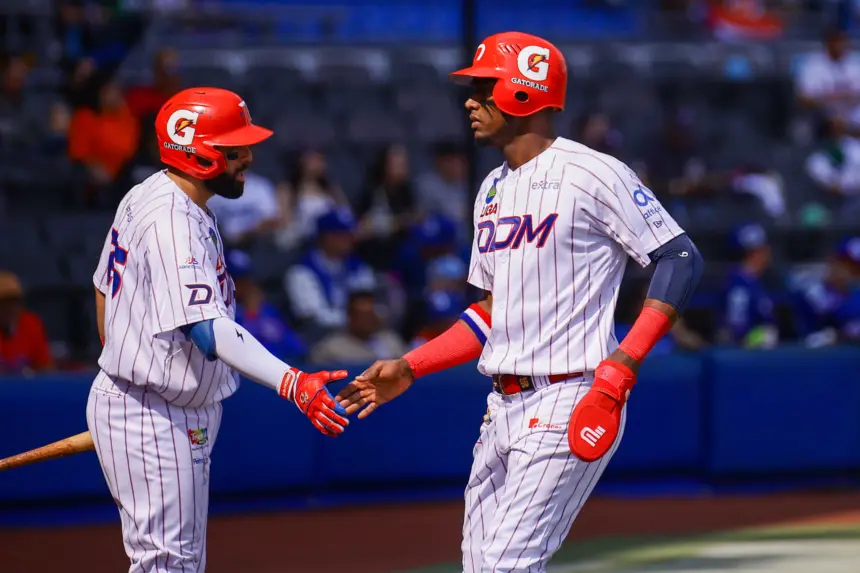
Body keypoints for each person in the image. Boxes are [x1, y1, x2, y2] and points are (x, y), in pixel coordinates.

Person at [336, 32, 704, 573]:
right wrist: (412, 367)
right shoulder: (491, 187)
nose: (469, 100)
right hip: (501, 407)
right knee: (484, 566)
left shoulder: (593, 172)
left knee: (506, 565)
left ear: (523, 93)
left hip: (570, 393)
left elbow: (680, 257)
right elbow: (491, 311)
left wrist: (624, 362)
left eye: (483, 87)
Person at [88, 87, 349, 572]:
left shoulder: (154, 193)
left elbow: (103, 290)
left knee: (176, 563)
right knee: (168, 565)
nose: (247, 157)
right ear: (198, 152)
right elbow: (207, 331)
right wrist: (291, 382)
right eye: (234, 149)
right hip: (154, 410)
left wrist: (126, 359)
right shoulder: (172, 219)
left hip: (153, 404)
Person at [283, 207, 376, 341]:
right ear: (326, 237)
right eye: (342, 234)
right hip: (324, 339)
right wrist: (356, 321)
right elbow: (315, 318)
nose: (349, 239)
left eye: (350, 234)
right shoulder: (301, 271)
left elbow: (369, 304)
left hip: (361, 335)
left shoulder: (358, 266)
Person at [228, 249, 306, 360]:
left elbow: (297, 347)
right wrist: (251, 314)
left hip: (282, 368)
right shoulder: (222, 311)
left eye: (246, 279)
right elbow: (240, 352)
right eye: (236, 280)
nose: (244, 285)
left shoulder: (265, 309)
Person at [718, 223, 779, 348]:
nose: (768, 253)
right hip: (744, 359)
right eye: (764, 249)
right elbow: (736, 333)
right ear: (754, 253)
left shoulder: (755, 281)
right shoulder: (739, 286)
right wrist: (761, 336)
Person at [308, 290, 407, 365]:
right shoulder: (330, 349)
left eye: (370, 313)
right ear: (350, 316)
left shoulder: (392, 340)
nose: (368, 319)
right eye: (362, 315)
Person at [0, 271, 53, 374]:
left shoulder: (31, 325)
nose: (9, 308)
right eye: (3, 303)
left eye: (13, 301)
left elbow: (45, 368)